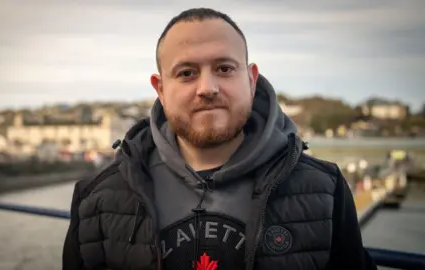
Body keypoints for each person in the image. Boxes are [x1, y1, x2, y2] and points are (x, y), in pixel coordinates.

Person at [62, 8, 377, 270]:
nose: (207, 87)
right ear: (159, 88)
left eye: (224, 68)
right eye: (187, 72)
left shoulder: (325, 189)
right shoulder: (96, 199)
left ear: (251, 80)